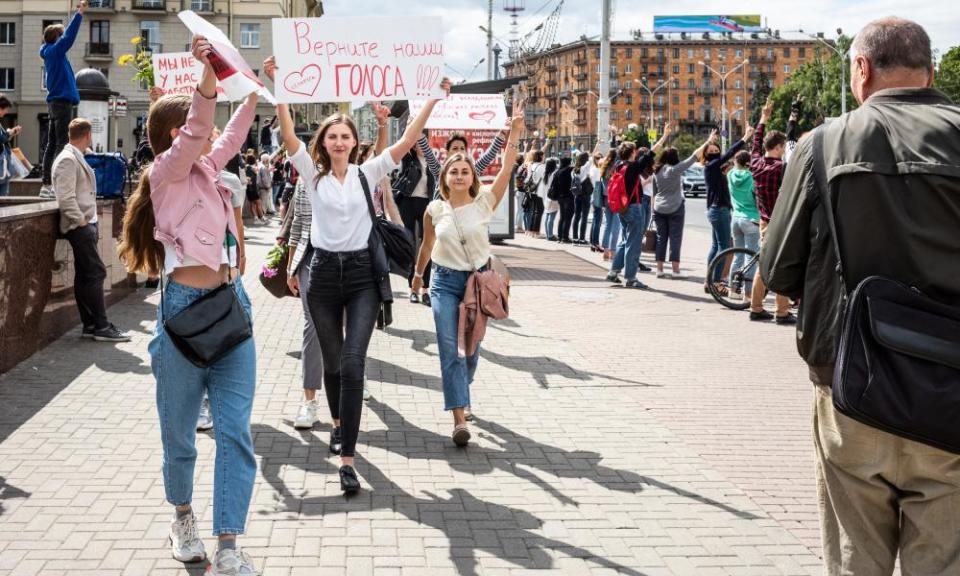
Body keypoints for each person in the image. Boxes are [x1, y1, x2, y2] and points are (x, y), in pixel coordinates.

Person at [759, 17, 960, 575]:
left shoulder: (822, 144)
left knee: (854, 562)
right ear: (931, 70)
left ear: (862, 70)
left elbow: (778, 269)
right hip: (953, 396)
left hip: (852, 386)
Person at [265, 55, 443, 494]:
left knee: (352, 362)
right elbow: (288, 135)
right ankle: (339, 420)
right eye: (333, 136)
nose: (340, 142)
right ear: (323, 143)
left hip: (363, 277)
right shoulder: (311, 174)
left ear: (353, 141)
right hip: (322, 274)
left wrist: (432, 100)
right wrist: (281, 84)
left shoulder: (368, 172)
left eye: (346, 136)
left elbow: (408, 139)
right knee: (330, 363)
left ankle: (347, 455)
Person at [117, 36, 260, 575]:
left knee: (234, 432)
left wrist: (251, 88)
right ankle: (182, 518)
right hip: (181, 313)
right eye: (193, 127)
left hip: (230, 305)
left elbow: (229, 132)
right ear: (176, 135)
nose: (206, 133)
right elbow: (204, 126)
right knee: (179, 436)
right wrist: (207, 74)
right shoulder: (165, 175)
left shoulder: (209, 169)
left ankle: (227, 546)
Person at [411, 99, 524, 446]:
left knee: (471, 351)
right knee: (450, 349)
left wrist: (514, 133)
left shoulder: (484, 203)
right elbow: (428, 246)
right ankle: (459, 417)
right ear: (444, 177)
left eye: (465, 171)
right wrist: (418, 275)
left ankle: (463, 389)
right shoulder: (435, 209)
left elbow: (505, 170)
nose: (459, 175)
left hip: (476, 285)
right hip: (444, 283)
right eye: (453, 171)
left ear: (472, 177)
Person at [51, 118, 130, 343]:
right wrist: (82, 222)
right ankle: (101, 327)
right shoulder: (68, 159)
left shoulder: (73, 156)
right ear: (88, 136)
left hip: (84, 226)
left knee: (86, 276)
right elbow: (66, 199)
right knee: (96, 273)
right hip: (79, 228)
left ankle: (91, 325)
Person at [605, 127, 673, 288]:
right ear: (632, 153)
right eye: (635, 151)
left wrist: (616, 135)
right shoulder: (632, 167)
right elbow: (652, 152)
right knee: (634, 244)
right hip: (633, 207)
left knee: (624, 240)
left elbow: (617, 148)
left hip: (621, 208)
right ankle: (631, 278)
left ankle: (613, 272)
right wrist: (664, 136)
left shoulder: (617, 165)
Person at [748, 99, 794, 324]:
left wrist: (763, 118)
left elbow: (755, 143)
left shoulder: (755, 164)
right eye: (783, 146)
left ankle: (756, 307)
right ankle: (782, 312)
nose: (784, 149)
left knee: (764, 265)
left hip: (764, 221)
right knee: (782, 265)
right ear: (777, 147)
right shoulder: (781, 169)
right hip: (780, 223)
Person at [651, 129, 714, 279]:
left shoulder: (656, 171)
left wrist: (653, 211)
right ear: (675, 158)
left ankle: (659, 269)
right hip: (675, 208)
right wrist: (708, 141)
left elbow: (654, 193)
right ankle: (675, 270)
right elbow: (694, 156)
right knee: (675, 238)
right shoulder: (675, 169)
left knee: (661, 238)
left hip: (658, 208)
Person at [39, 0, 86, 197]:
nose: (62, 37)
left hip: (55, 102)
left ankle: (46, 186)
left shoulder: (51, 54)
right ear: (56, 38)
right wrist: (80, 13)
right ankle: (55, 185)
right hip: (61, 103)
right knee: (60, 144)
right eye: (60, 34)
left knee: (52, 144)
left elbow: (65, 37)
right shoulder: (56, 51)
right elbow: (69, 37)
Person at [702, 124, 756, 293]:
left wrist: (710, 140)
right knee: (724, 247)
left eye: (715, 149)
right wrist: (745, 138)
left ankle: (709, 280)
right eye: (710, 151)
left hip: (715, 210)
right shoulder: (711, 166)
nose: (714, 152)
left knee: (715, 246)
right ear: (707, 155)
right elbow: (730, 153)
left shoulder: (715, 169)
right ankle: (717, 282)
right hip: (719, 210)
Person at [726, 150, 759, 300]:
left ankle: (733, 289)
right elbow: (756, 199)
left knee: (737, 256)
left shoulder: (730, 175)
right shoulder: (752, 178)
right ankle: (748, 294)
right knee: (750, 258)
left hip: (735, 218)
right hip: (751, 219)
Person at [598, 149, 620, 261]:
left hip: (606, 198)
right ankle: (612, 251)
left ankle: (605, 251)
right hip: (615, 198)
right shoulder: (615, 168)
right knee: (616, 225)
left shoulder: (603, 166)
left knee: (607, 225)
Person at [0, 96, 23, 197]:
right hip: (1, 166)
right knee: (3, 195)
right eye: (6, 109)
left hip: (3, 165)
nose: (6, 112)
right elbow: (1, 138)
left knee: (4, 192)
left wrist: (10, 133)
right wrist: (11, 132)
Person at [571, 152, 593, 245]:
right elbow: (592, 158)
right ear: (585, 159)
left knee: (576, 216)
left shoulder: (574, 171)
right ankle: (582, 238)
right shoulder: (585, 168)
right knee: (584, 217)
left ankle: (575, 238)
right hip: (585, 195)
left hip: (577, 195)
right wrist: (597, 144)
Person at [551, 156, 574, 243]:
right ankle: (565, 237)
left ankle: (560, 236)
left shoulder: (557, 172)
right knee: (568, 217)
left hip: (560, 197)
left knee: (562, 217)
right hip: (568, 196)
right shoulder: (568, 171)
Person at [588, 152, 607, 252]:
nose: (600, 159)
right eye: (598, 158)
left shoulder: (593, 168)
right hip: (597, 193)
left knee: (596, 219)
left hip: (594, 193)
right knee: (598, 220)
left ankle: (593, 242)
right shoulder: (597, 169)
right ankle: (595, 243)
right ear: (594, 159)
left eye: (601, 157)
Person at [244, 153, 266, 224]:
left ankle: (257, 218)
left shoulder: (247, 167)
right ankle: (261, 218)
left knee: (252, 204)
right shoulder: (251, 168)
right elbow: (253, 175)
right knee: (258, 203)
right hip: (252, 188)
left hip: (249, 188)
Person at [540, 158, 559, 240]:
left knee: (547, 215)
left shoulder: (545, 174)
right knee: (551, 216)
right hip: (553, 197)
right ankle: (550, 235)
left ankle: (548, 234)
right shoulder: (554, 174)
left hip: (546, 197)